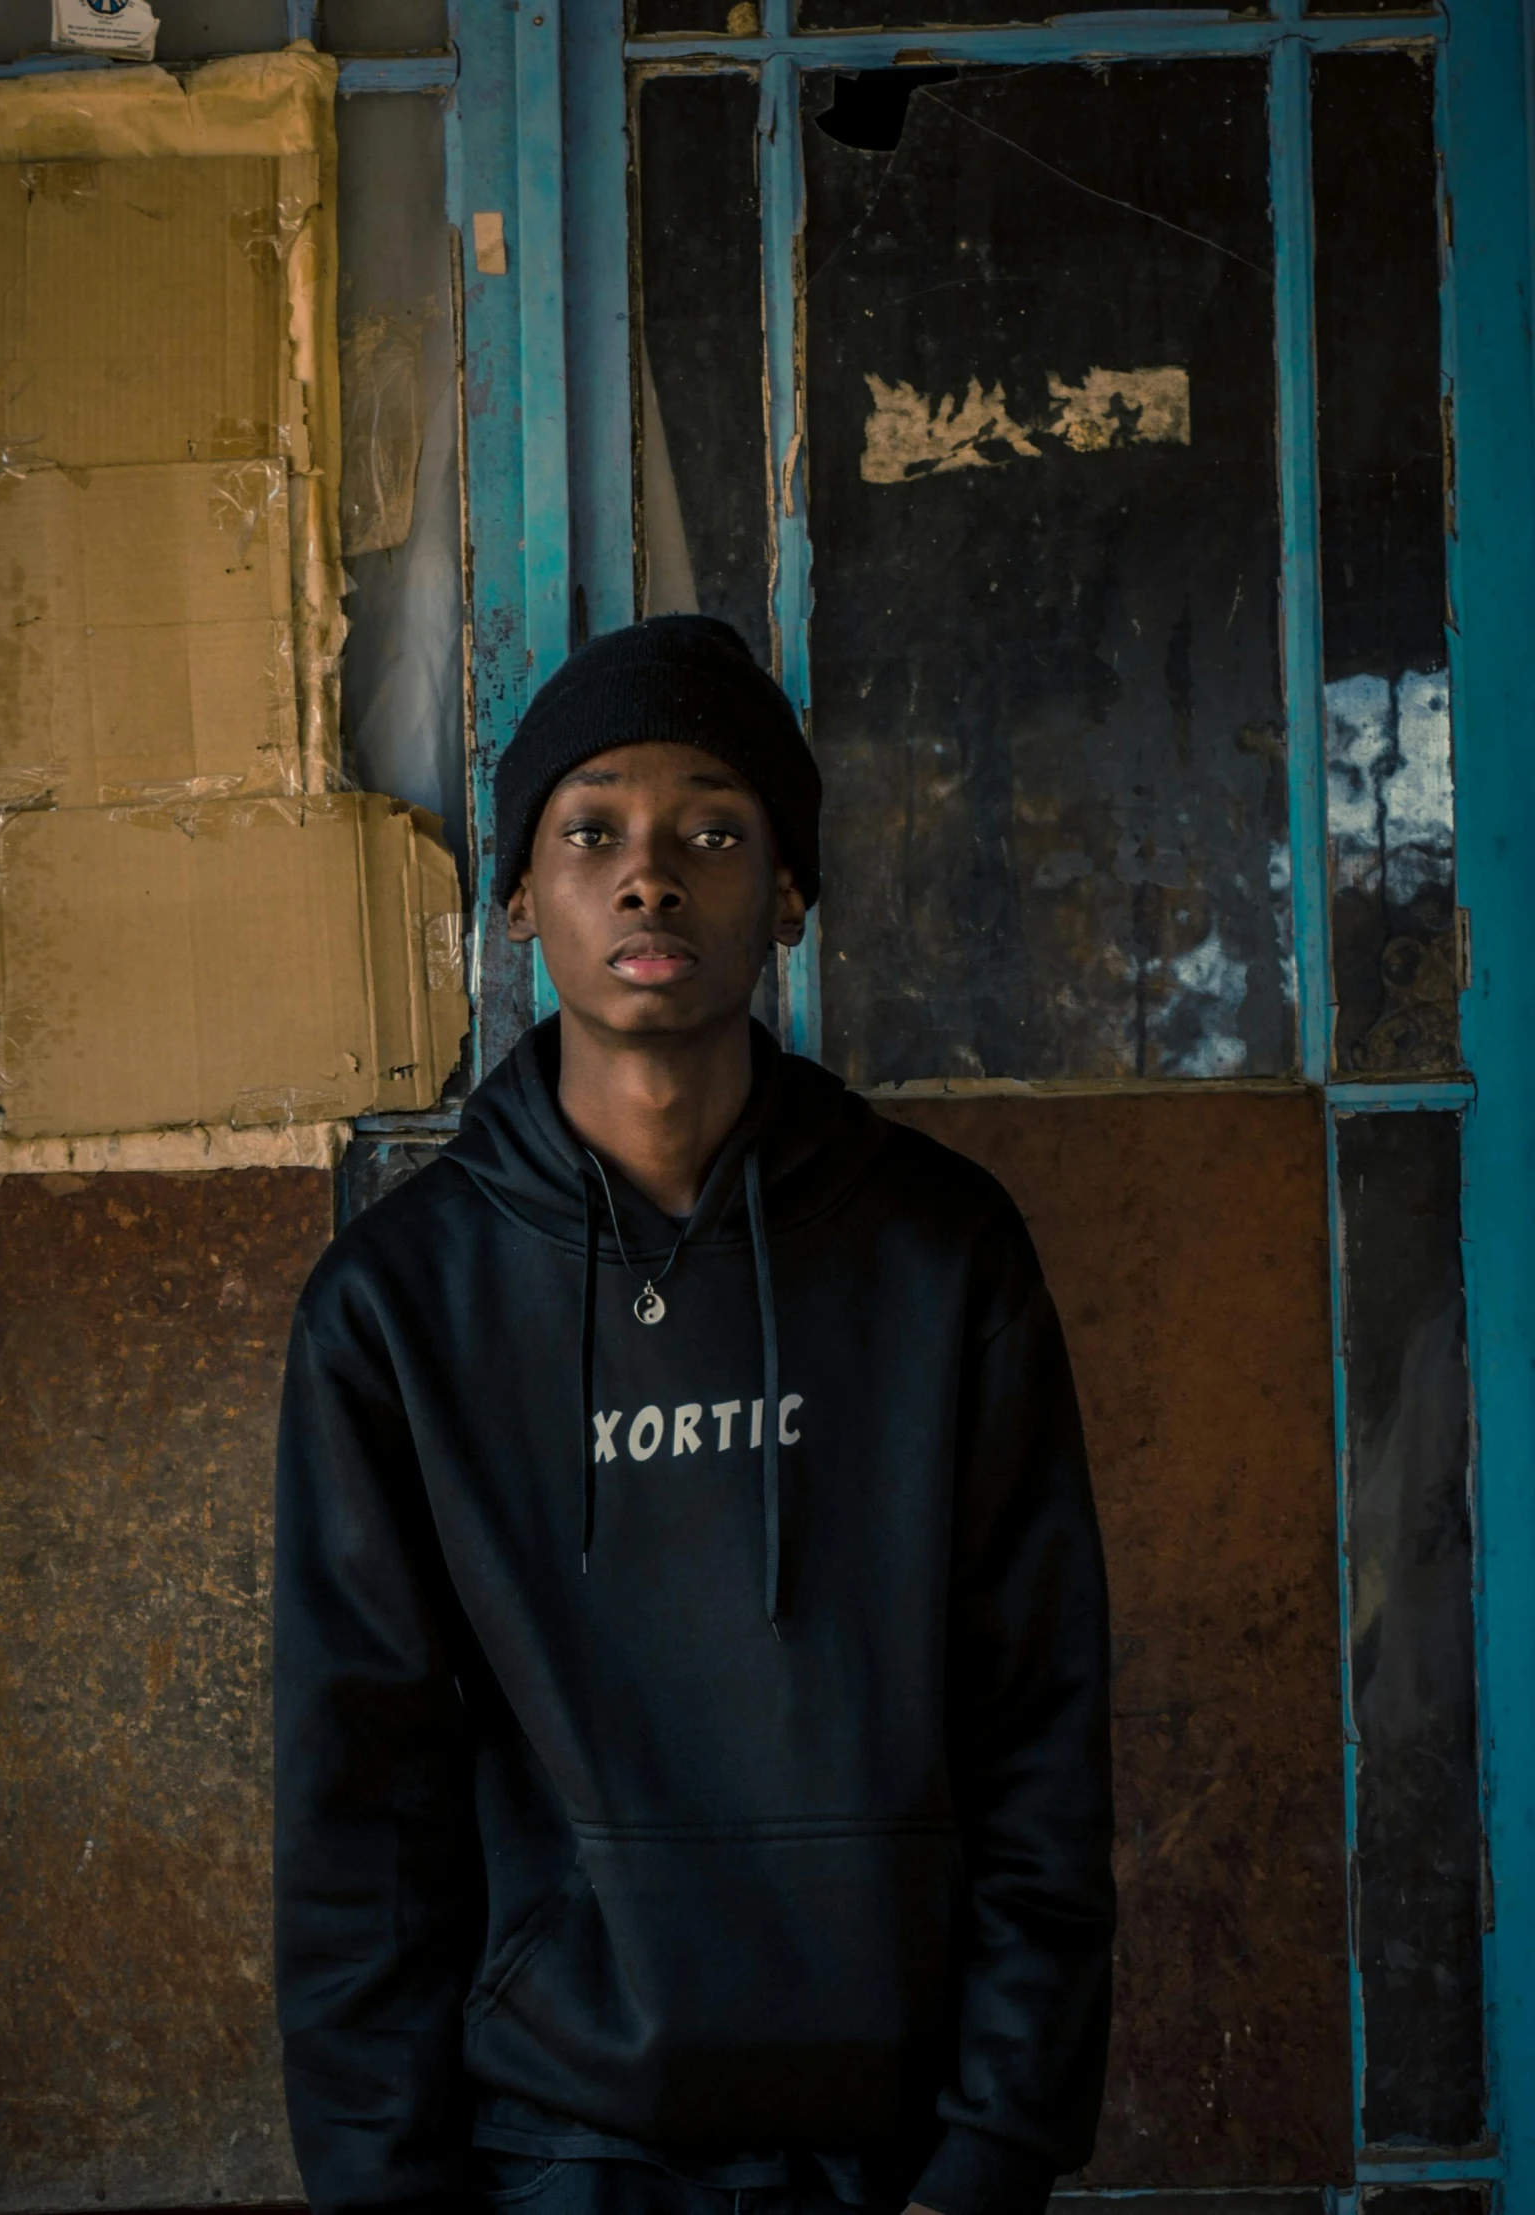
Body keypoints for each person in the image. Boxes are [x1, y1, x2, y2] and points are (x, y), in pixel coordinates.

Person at [273, 616, 1114, 2215]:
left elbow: (1041, 1736)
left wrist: (994, 2148)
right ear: (522, 896)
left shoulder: (943, 1258)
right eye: (593, 832)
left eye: (714, 831)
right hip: (554, 2149)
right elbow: (355, 1816)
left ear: (788, 892)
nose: (649, 875)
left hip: (900, 2150)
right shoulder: (397, 1309)